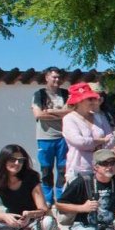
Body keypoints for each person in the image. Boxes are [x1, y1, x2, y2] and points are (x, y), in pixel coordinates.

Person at [31, 67, 71, 205]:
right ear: (47, 77)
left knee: (62, 168)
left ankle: (61, 198)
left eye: (59, 77)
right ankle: (48, 199)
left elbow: (70, 112)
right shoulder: (39, 94)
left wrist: (49, 111)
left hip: (63, 137)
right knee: (46, 169)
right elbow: (38, 115)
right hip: (45, 138)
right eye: (54, 77)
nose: (57, 80)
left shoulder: (66, 94)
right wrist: (60, 112)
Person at [63, 82, 115, 181]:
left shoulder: (100, 117)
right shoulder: (69, 119)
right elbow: (79, 142)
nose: (94, 101)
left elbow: (111, 139)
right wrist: (102, 141)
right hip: (78, 171)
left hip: (101, 171)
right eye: (90, 99)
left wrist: (95, 143)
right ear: (79, 101)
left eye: (93, 98)